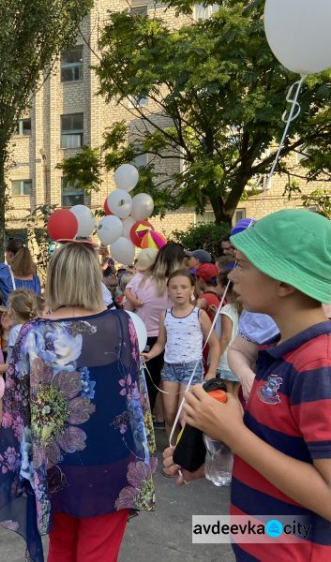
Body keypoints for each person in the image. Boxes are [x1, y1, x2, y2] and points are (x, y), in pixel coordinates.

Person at [163, 209, 331, 561]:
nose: (233, 278)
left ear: (285, 283)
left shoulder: (319, 365)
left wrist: (234, 433)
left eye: (243, 266)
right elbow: (280, 454)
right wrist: (211, 461)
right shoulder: (277, 352)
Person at [0, 242, 156, 562]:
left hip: (55, 464)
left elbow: (15, 410)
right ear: (91, 277)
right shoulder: (122, 325)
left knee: (61, 549)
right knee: (98, 553)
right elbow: (134, 398)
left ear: (54, 278)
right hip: (113, 461)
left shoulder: (31, 333)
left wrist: (21, 467)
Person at [142, 270, 220, 440]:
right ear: (168, 290)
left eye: (184, 287)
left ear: (192, 289)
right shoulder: (165, 315)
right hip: (170, 368)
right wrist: (149, 355)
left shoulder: (199, 314)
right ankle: (172, 453)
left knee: (184, 417)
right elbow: (161, 343)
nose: (179, 291)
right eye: (174, 287)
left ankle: (183, 459)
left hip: (192, 368)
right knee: (170, 415)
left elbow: (215, 345)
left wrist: (212, 371)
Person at [124, 242, 186, 414]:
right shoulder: (180, 284)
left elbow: (128, 312)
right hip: (175, 338)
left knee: (148, 384)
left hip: (146, 338)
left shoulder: (140, 280)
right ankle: (167, 423)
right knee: (173, 385)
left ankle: (147, 421)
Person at [213, 270, 241, 396]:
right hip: (239, 360)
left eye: (217, 284)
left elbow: (225, 338)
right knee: (234, 396)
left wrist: (215, 359)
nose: (215, 287)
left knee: (228, 397)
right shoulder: (241, 308)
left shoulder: (227, 309)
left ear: (224, 288)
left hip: (226, 361)